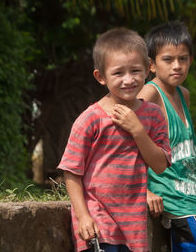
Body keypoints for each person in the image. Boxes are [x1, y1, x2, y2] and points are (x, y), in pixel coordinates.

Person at [57, 28, 171, 252]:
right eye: (118, 73)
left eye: (135, 71)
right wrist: (83, 216)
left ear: (148, 69)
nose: (128, 80)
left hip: (133, 227)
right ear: (101, 77)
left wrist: (137, 130)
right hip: (98, 220)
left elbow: (160, 165)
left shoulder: (154, 115)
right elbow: (71, 171)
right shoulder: (90, 119)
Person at [138, 21, 196, 252]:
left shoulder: (183, 94)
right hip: (176, 203)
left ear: (190, 61)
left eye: (183, 59)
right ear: (151, 65)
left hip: (195, 201)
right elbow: (128, 139)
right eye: (168, 59)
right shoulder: (151, 93)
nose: (177, 66)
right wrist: (144, 190)